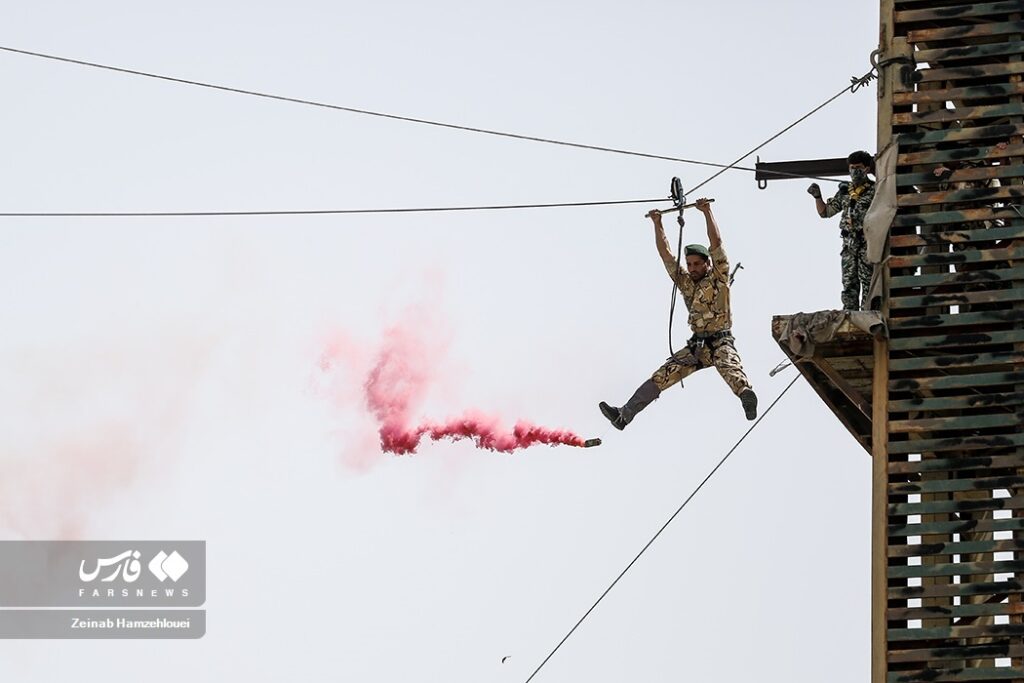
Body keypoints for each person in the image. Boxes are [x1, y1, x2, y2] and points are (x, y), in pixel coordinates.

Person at [598, 198, 757, 430]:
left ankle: (746, 397)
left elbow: (717, 243)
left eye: (696, 264)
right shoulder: (686, 282)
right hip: (697, 346)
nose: (692, 268)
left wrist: (707, 212)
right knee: (663, 375)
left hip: (721, 340)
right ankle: (625, 414)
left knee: (731, 369)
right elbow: (667, 256)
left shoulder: (719, 277)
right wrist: (657, 223)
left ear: (707, 264)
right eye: (689, 264)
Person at [808, 150, 876, 310]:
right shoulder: (845, 192)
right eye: (852, 168)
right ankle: (850, 313)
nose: (854, 171)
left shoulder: (875, 190)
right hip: (848, 244)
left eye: (858, 167)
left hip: (866, 242)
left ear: (866, 169)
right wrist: (817, 197)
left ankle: (868, 312)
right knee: (849, 282)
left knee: (868, 280)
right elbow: (825, 212)